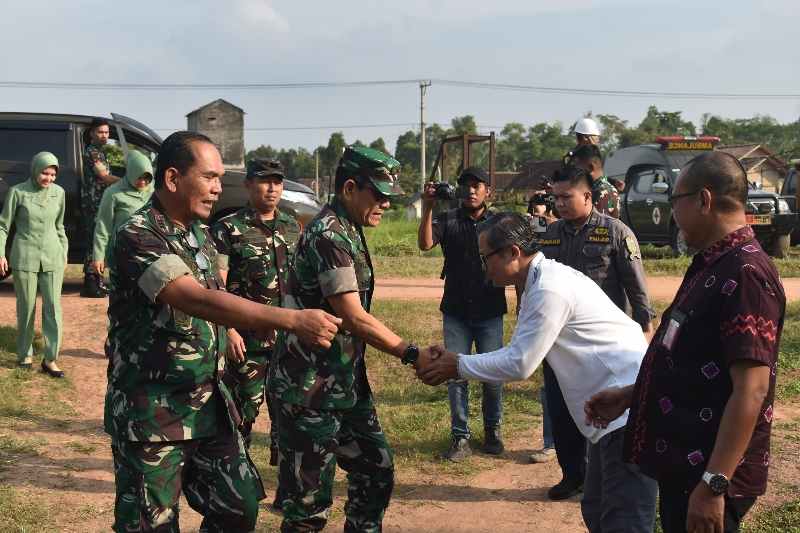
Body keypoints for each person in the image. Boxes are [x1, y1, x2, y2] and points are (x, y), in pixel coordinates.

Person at [103, 131, 341, 532]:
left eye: (219, 178)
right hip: (154, 414)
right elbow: (195, 298)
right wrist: (292, 320)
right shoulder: (138, 234)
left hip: (208, 405)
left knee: (238, 507)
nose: (217, 188)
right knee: (151, 525)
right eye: (209, 177)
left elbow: (217, 295)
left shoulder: (197, 233)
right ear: (172, 178)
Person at [417, 212, 658, 532]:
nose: (482, 266)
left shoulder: (549, 288)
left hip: (626, 415)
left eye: (485, 257)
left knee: (623, 521)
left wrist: (457, 364)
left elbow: (520, 363)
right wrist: (457, 362)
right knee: (597, 509)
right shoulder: (537, 283)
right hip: (612, 416)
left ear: (513, 252)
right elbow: (517, 351)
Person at [585, 151, 785, 533]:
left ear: (704, 200)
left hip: (706, 474)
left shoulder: (745, 273)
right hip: (685, 465)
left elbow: (752, 390)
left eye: (675, 201)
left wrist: (713, 485)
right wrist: (631, 396)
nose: (673, 212)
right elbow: (692, 363)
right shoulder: (715, 262)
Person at [269, 145, 435, 532]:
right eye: (378, 195)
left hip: (344, 385)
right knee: (308, 509)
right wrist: (411, 353)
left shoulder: (348, 229)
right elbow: (353, 316)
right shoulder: (329, 235)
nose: (386, 204)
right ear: (349, 188)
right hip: (308, 391)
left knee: (376, 469)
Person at [530, 165, 654, 497]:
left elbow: (637, 289)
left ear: (587, 196)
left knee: (608, 414)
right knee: (561, 410)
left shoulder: (616, 232)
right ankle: (573, 475)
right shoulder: (549, 234)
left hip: (604, 347)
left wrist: (646, 330)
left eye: (566, 197)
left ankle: (606, 477)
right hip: (561, 344)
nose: (559, 204)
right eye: (556, 198)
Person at [211, 158, 299, 461]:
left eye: (277, 181)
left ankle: (288, 481)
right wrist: (228, 330)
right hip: (246, 343)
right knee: (241, 415)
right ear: (248, 184)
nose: (272, 188)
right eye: (264, 181)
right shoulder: (227, 229)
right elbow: (216, 286)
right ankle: (237, 475)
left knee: (290, 416)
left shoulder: (292, 226)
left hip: (288, 343)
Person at [418, 166, 507, 461]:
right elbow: (425, 244)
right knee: (454, 373)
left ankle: (493, 431)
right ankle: (460, 437)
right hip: (456, 310)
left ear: (488, 191)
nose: (470, 190)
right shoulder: (448, 219)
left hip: (490, 309)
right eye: (466, 185)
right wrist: (427, 208)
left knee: (492, 374)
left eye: (477, 185)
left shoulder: (498, 223)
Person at [0, 151, 68, 378]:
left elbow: (60, 226)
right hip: (25, 257)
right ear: (35, 170)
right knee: (26, 307)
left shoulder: (59, 193)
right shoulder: (17, 192)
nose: (48, 178)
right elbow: (3, 226)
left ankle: (50, 359)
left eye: (52, 174)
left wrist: (64, 252)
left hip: (52, 256)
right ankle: (24, 355)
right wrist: (1, 253)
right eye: (44, 173)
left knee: (53, 309)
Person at [91, 150, 154, 275]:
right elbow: (103, 227)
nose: (143, 182)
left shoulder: (154, 191)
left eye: (147, 178)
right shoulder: (113, 193)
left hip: (150, 254)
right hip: (123, 255)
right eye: (139, 177)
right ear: (131, 173)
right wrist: (98, 256)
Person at [81, 117, 120, 297]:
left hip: (99, 201)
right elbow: (104, 176)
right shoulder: (93, 152)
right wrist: (128, 181)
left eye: (107, 132)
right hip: (93, 202)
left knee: (98, 240)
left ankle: (97, 281)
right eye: (100, 132)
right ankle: (91, 283)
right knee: (94, 241)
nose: (105, 135)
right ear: (92, 133)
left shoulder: (101, 152)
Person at [566, 144, 620, 219]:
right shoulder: (594, 189)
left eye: (579, 169)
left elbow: (601, 223)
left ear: (590, 167)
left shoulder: (604, 192)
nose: (576, 173)